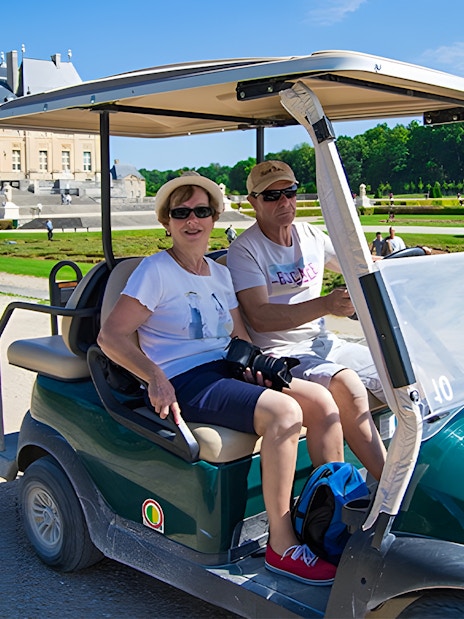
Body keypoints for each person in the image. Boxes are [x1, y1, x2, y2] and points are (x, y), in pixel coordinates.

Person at [98, 171, 344, 585]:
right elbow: (112, 336)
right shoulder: (154, 271)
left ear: (214, 218)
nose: (192, 221)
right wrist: (155, 377)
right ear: (167, 221)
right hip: (184, 378)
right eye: (181, 213)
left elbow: (238, 337)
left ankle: (331, 517)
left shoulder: (219, 273)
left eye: (201, 211)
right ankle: (282, 547)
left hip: (225, 368)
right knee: (285, 413)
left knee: (321, 401)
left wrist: (257, 367)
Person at [227, 161, 387, 482]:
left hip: (323, 345)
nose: (284, 202)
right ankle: (375, 494)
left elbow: (357, 265)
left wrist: (407, 261)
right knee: (348, 386)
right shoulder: (245, 250)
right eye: (272, 196)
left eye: (290, 192)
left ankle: (398, 481)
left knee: (399, 371)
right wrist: (327, 304)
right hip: (278, 353)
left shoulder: (311, 235)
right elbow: (260, 314)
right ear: (252, 202)